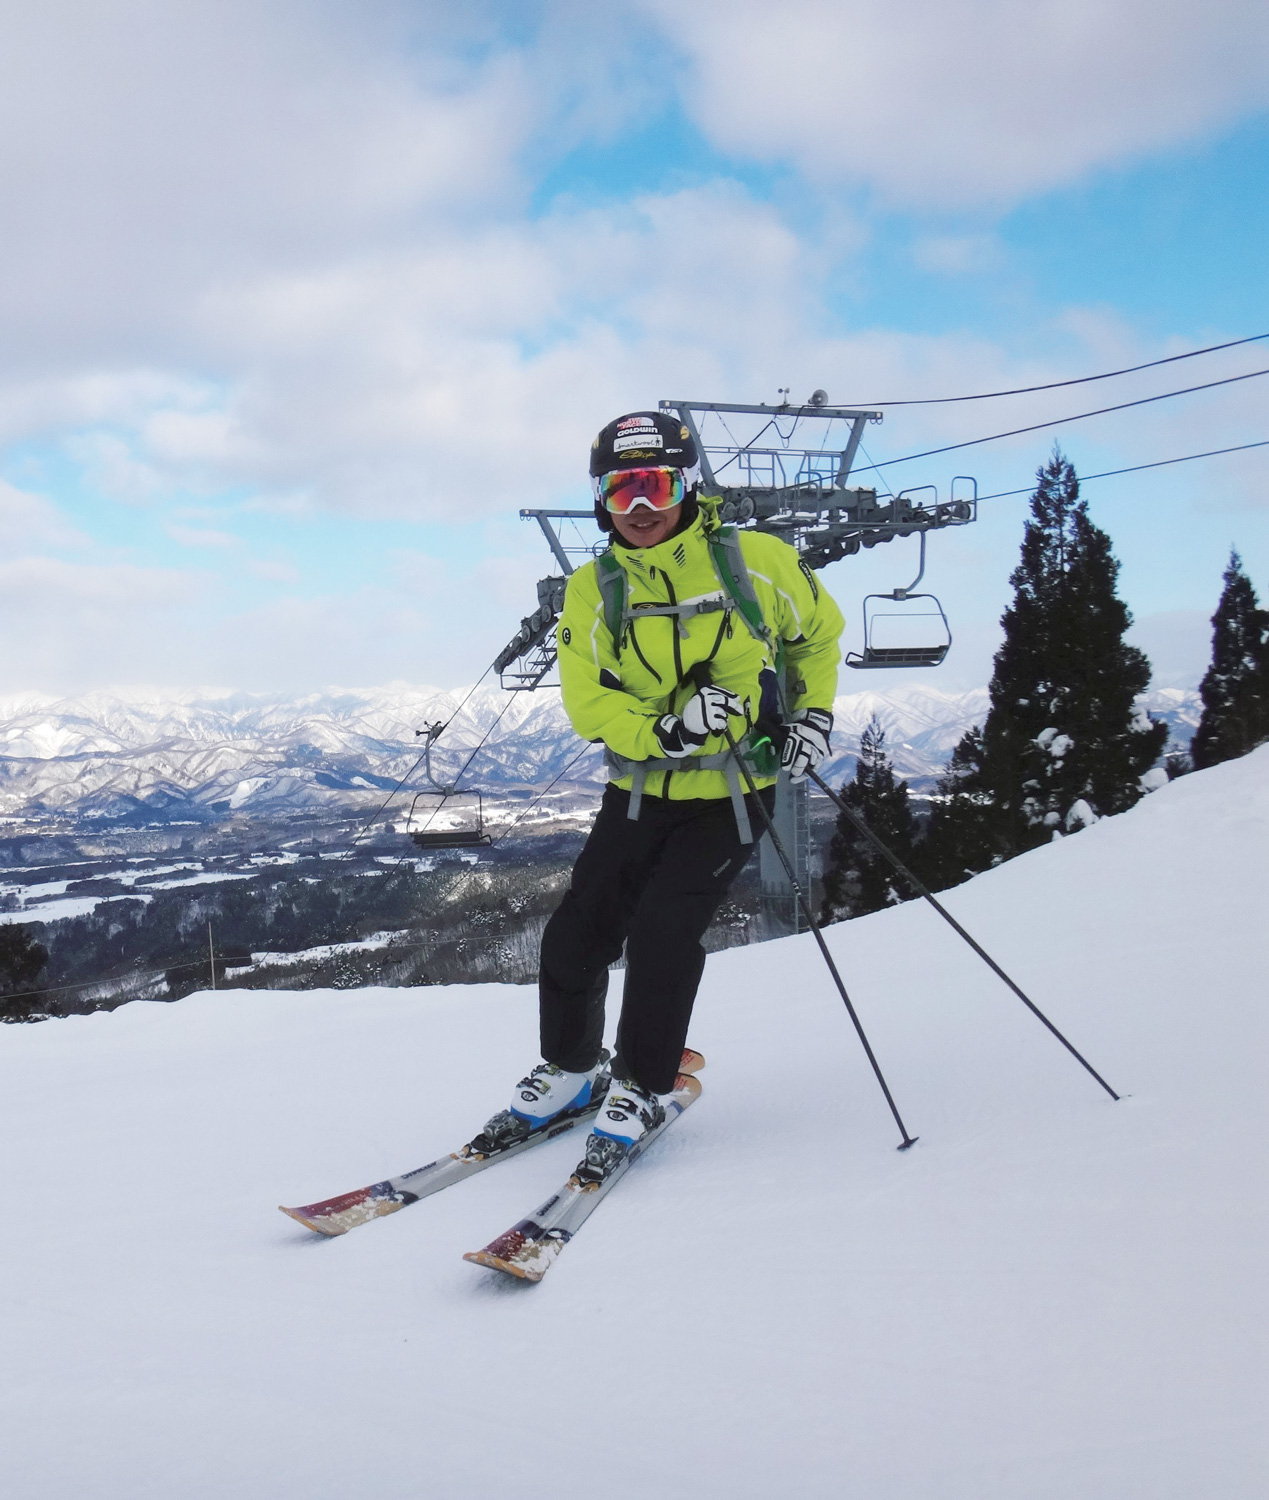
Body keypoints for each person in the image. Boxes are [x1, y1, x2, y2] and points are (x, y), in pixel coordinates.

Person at [480, 409, 844, 1178]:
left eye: (653, 485)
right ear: (600, 502)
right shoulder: (593, 590)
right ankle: (572, 1070)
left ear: (685, 485)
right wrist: (668, 732)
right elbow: (590, 704)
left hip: (736, 790)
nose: (639, 508)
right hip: (642, 788)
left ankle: (641, 1084)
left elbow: (816, 633)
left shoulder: (760, 561)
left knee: (661, 934)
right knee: (578, 930)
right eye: (620, 492)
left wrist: (811, 713)